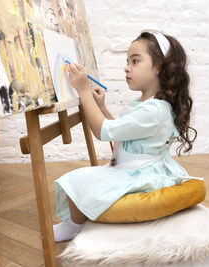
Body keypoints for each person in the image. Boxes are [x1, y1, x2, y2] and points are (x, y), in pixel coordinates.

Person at [53, 31, 200, 242]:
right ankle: (77, 222)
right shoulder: (144, 104)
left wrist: (83, 90)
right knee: (85, 181)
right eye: (127, 61)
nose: (127, 67)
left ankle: (75, 226)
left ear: (159, 67)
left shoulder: (155, 111)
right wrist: (102, 108)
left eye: (135, 61)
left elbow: (103, 131)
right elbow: (125, 132)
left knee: (76, 180)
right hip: (132, 167)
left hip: (140, 174)